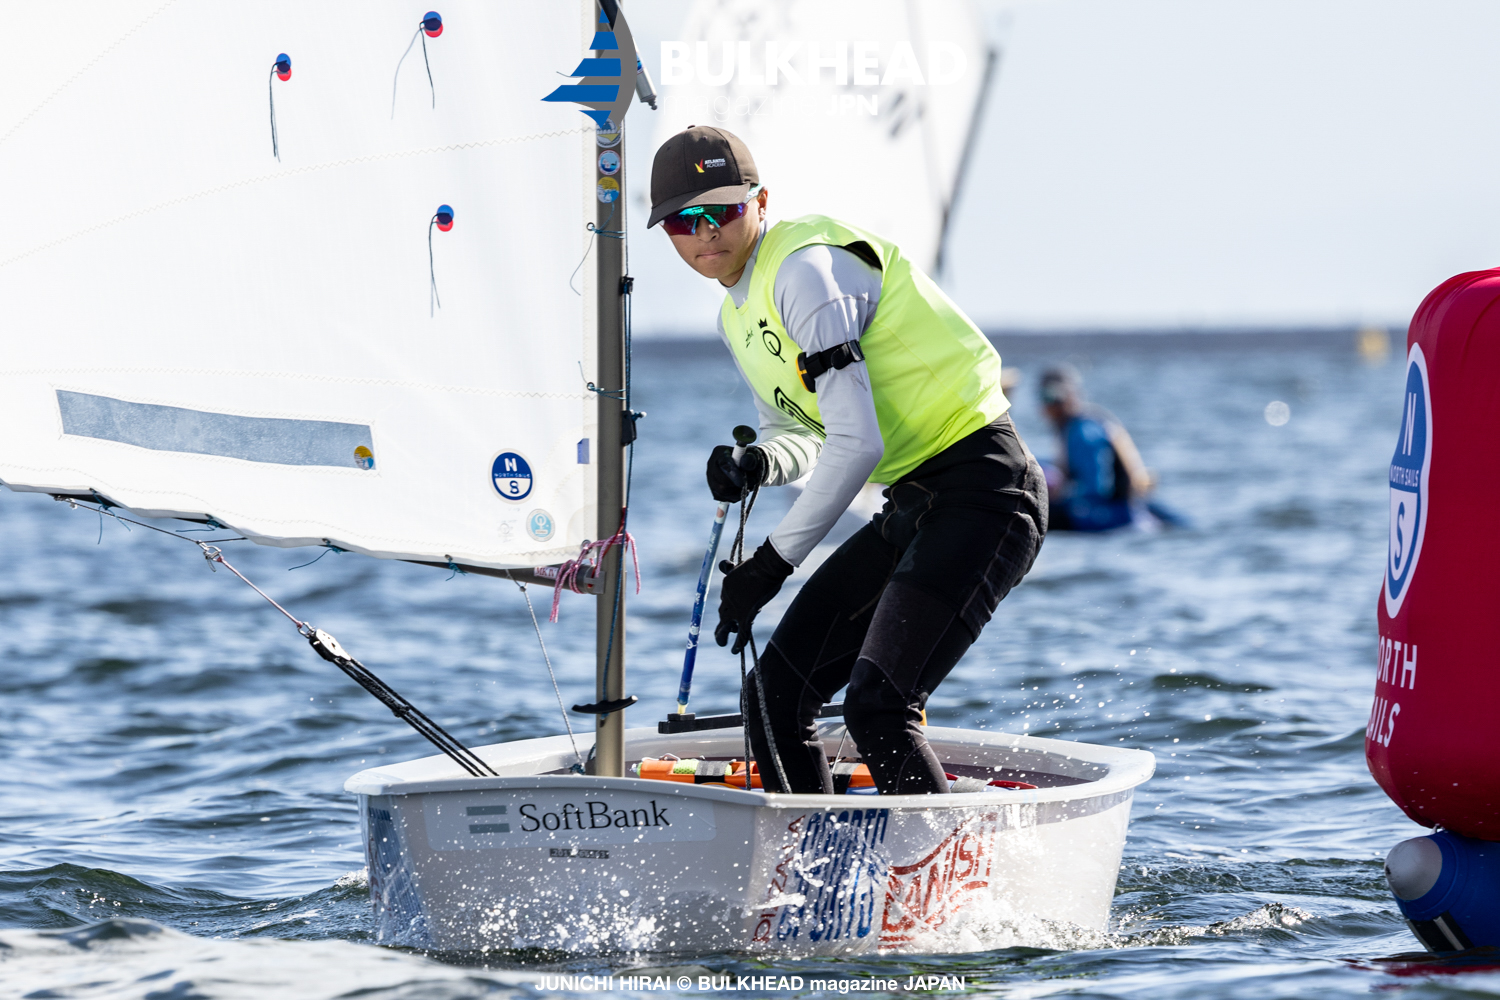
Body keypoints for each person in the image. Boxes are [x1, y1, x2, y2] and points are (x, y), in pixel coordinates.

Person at [649, 125, 1047, 795]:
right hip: (915, 506)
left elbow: (858, 445)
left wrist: (771, 564)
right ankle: (812, 878)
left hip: (986, 491)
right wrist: (759, 465)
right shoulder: (735, 315)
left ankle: (929, 889)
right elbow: (801, 430)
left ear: (761, 201)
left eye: (723, 211)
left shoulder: (805, 271)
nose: (706, 232)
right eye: (685, 221)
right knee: (772, 701)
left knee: (878, 707)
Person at [1037, 365, 1180, 531]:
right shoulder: (1077, 425)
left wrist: (1055, 495)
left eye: (1056, 397)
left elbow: (1096, 489)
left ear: (1072, 396)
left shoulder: (1084, 432)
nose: (1051, 405)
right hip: (1118, 510)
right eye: (1045, 397)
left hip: (1111, 515)